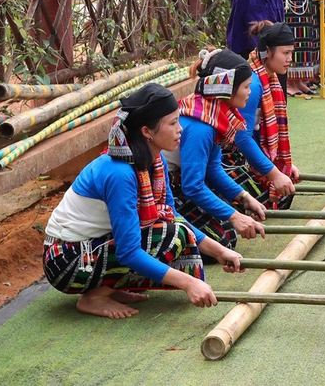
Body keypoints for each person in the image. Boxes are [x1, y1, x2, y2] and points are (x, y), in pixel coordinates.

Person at [43, 84, 244, 319]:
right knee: (171, 236)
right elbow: (129, 252)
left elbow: (170, 213)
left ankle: (110, 288)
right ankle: (95, 297)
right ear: (147, 131)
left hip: (92, 245)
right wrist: (188, 283)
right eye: (172, 123)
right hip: (65, 260)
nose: (180, 130)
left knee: (174, 230)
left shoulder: (153, 160)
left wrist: (219, 251)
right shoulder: (120, 173)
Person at [166, 49, 267, 248]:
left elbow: (212, 168)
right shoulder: (201, 127)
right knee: (224, 239)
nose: (250, 92)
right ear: (227, 87)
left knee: (228, 227)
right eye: (246, 87)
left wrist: (244, 197)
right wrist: (235, 216)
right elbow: (193, 186)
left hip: (182, 182)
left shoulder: (211, 113)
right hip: (168, 187)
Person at [221, 21, 301, 210]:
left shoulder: (269, 78)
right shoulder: (254, 85)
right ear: (267, 52)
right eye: (285, 53)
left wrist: (283, 165)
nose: (290, 58)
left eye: (291, 52)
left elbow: (257, 133)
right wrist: (274, 173)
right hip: (226, 155)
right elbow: (242, 138)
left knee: (284, 194)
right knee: (274, 199)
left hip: (240, 151)